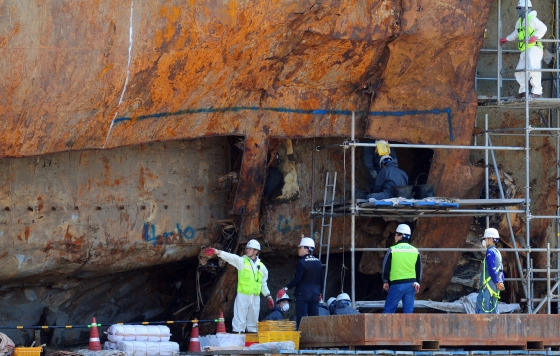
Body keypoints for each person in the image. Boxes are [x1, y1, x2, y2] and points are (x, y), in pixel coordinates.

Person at [203, 240, 274, 333]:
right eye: (247, 248)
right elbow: (231, 257)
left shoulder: (262, 267)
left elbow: (263, 283)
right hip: (243, 296)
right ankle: (238, 341)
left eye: (250, 248)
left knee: (253, 323)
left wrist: (268, 296)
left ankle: (250, 344)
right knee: (239, 322)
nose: (247, 250)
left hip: (255, 298)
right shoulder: (242, 261)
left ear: (256, 251)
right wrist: (217, 252)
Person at [500, 0, 547, 99]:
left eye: (519, 8)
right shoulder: (520, 22)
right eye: (517, 8)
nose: (517, 10)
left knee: (534, 69)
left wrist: (535, 36)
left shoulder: (532, 19)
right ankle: (523, 91)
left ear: (526, 9)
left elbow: (543, 28)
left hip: (534, 48)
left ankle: (537, 92)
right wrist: (507, 39)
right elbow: (516, 33)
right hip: (526, 50)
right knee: (519, 71)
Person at [278, 235, 322, 329]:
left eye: (300, 247)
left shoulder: (302, 262)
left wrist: (286, 288)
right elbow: (321, 279)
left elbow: (297, 279)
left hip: (303, 294)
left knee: (301, 318)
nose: (298, 249)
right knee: (314, 319)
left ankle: (303, 341)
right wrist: (319, 292)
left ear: (305, 249)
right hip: (315, 294)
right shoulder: (318, 262)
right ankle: (314, 339)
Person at [381, 224, 422, 313]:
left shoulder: (392, 250)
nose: (395, 237)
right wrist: (418, 282)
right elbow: (418, 269)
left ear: (400, 236)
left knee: (389, 310)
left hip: (397, 284)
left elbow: (386, 266)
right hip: (411, 285)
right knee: (408, 312)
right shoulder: (415, 251)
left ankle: (385, 327)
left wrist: (385, 281)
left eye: (396, 235)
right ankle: (408, 327)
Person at [476, 228, 505, 314]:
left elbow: (492, 268)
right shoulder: (497, 252)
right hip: (495, 287)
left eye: (485, 238)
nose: (484, 240)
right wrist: (500, 281)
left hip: (488, 287)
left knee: (482, 308)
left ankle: (481, 327)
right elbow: (501, 270)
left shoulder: (490, 252)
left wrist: (496, 281)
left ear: (491, 239)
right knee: (493, 309)